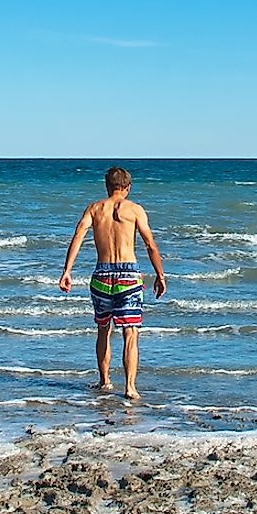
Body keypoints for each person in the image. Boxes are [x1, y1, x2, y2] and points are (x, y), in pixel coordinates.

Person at [58, 166, 166, 399]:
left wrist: (67, 271)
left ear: (107, 186)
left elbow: (78, 236)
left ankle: (104, 381)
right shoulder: (135, 210)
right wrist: (160, 275)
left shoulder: (95, 209)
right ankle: (130, 388)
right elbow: (150, 245)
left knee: (103, 330)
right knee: (131, 332)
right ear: (127, 187)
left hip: (102, 275)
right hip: (129, 276)